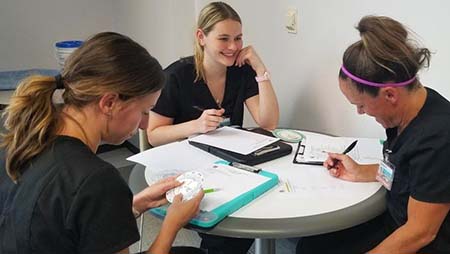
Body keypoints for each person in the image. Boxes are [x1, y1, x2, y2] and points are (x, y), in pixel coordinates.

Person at [0, 32, 204, 254]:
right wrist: (172, 225)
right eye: (144, 112)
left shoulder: (18, 145)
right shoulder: (97, 181)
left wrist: (133, 206)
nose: (145, 125)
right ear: (109, 102)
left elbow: (59, 225)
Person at [296, 15, 450, 254]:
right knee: (311, 246)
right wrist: (360, 171)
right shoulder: (411, 108)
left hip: (424, 243)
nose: (360, 112)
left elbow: (421, 232)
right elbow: (408, 174)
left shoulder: (439, 139)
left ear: (390, 95)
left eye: (361, 105)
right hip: (395, 221)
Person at [147, 1, 279, 147]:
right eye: (223, 39)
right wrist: (195, 126)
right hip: (184, 157)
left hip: (225, 158)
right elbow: (154, 136)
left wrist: (260, 69)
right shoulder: (175, 77)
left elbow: (269, 123)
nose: (233, 47)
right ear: (201, 37)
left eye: (238, 38)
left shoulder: (241, 69)